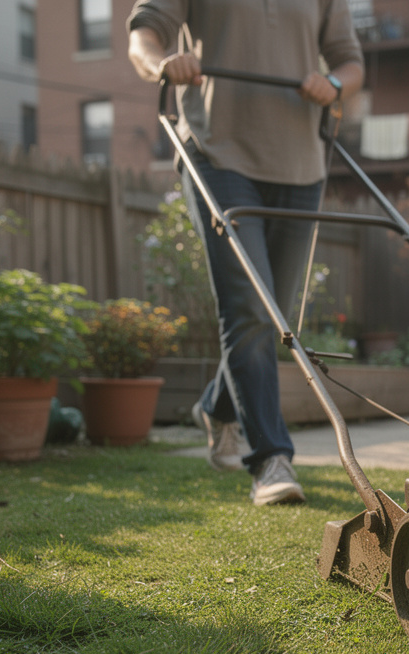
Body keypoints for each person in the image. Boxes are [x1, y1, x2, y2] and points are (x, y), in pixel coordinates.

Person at [128, 0, 364, 505]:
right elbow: (143, 36)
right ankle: (271, 459)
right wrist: (163, 65)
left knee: (271, 317)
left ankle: (218, 405)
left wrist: (336, 84)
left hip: (301, 163)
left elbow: (350, 61)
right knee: (250, 308)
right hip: (218, 152)